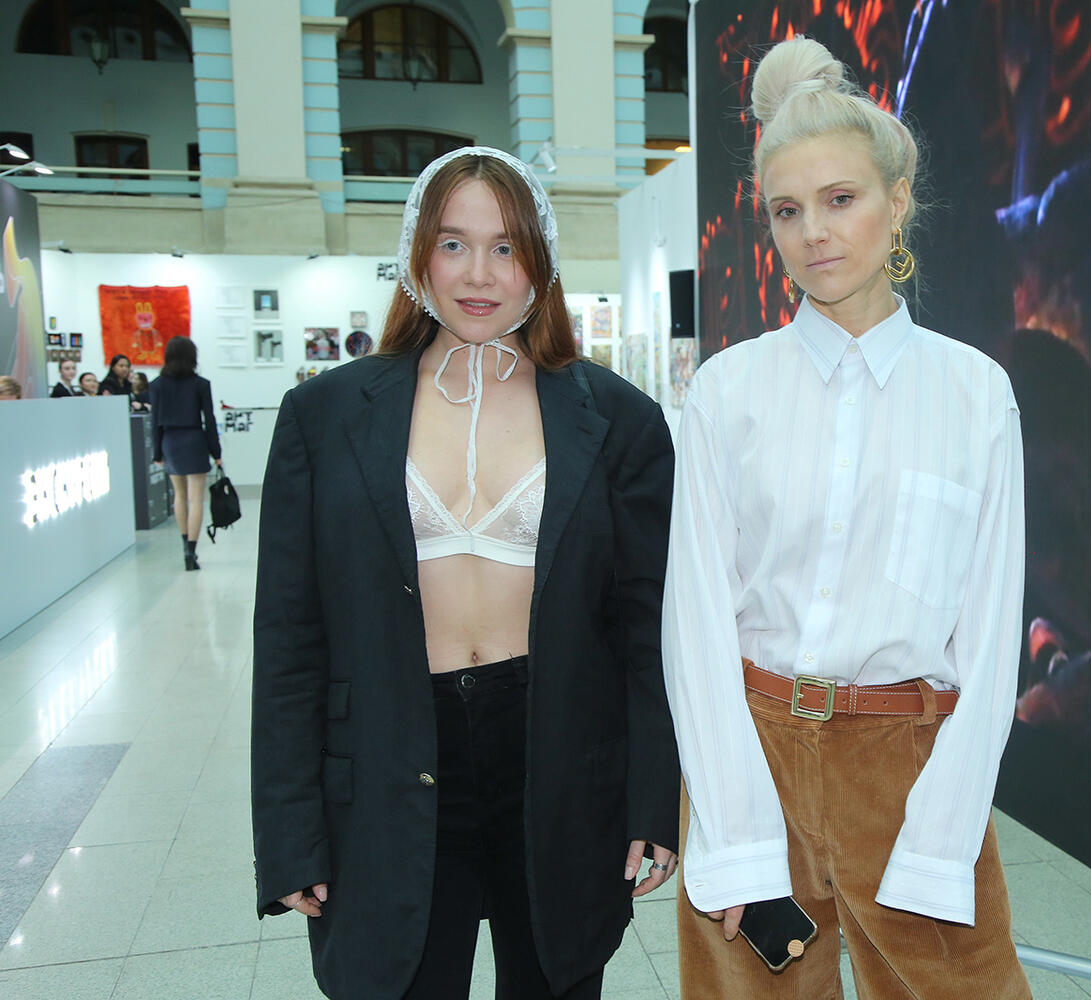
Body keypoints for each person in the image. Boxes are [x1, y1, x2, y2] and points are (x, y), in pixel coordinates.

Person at [250, 146, 680, 1000]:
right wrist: (290, 835)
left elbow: (646, 629)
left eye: (505, 247)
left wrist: (652, 801)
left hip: (560, 757)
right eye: (453, 244)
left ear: (539, 262)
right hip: (389, 755)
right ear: (417, 255)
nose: (479, 274)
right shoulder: (323, 417)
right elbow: (290, 640)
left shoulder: (619, 420)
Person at [662, 37, 1032, 999]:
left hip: (908, 763)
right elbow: (695, 624)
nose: (814, 233)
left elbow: (991, 643)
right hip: (753, 752)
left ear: (897, 202)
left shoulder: (974, 393)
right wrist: (735, 831)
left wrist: (942, 831)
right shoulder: (726, 392)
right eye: (788, 210)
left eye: (840, 199)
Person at [149, 336, 222, 571]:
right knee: (196, 498)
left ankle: (184, 545)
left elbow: (154, 422)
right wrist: (216, 451)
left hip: (170, 441)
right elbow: (209, 420)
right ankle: (192, 550)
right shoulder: (201, 384)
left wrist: (157, 452)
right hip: (194, 439)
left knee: (179, 496)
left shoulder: (157, 385)